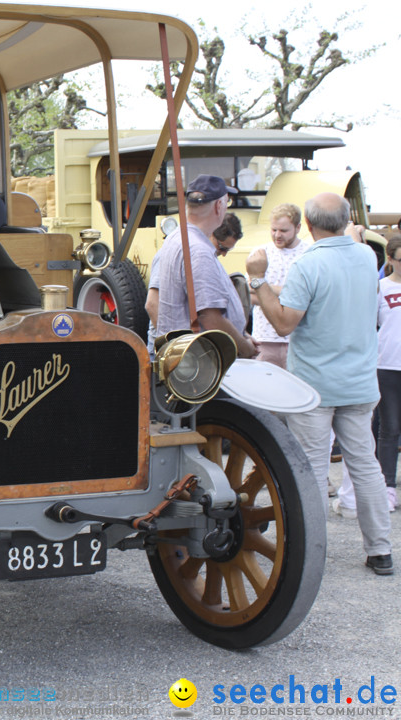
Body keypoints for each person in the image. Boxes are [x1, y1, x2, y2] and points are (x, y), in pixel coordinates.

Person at [249, 192, 393, 576]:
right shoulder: (366, 257)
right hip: (360, 381)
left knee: (311, 468)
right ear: (346, 221)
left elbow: (283, 323)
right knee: (365, 465)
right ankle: (380, 549)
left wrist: (257, 279)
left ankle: (311, 552)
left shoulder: (306, 264)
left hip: (314, 385)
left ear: (308, 226)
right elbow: (355, 248)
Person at [151, 176, 258, 358]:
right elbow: (210, 318)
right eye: (226, 202)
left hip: (187, 357)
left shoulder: (176, 238)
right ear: (218, 206)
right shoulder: (198, 250)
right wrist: (246, 349)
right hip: (199, 362)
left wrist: (242, 334)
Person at [246, 203, 308, 368]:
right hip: (264, 338)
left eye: (284, 231)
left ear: (298, 227)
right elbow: (249, 292)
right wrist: (289, 297)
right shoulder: (260, 252)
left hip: (297, 340)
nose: (277, 235)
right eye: (274, 230)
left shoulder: (308, 254)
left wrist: (264, 289)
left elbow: (310, 296)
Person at [375, 235, 401, 514]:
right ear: (391, 259)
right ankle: (387, 487)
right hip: (388, 365)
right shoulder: (380, 288)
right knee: (389, 428)